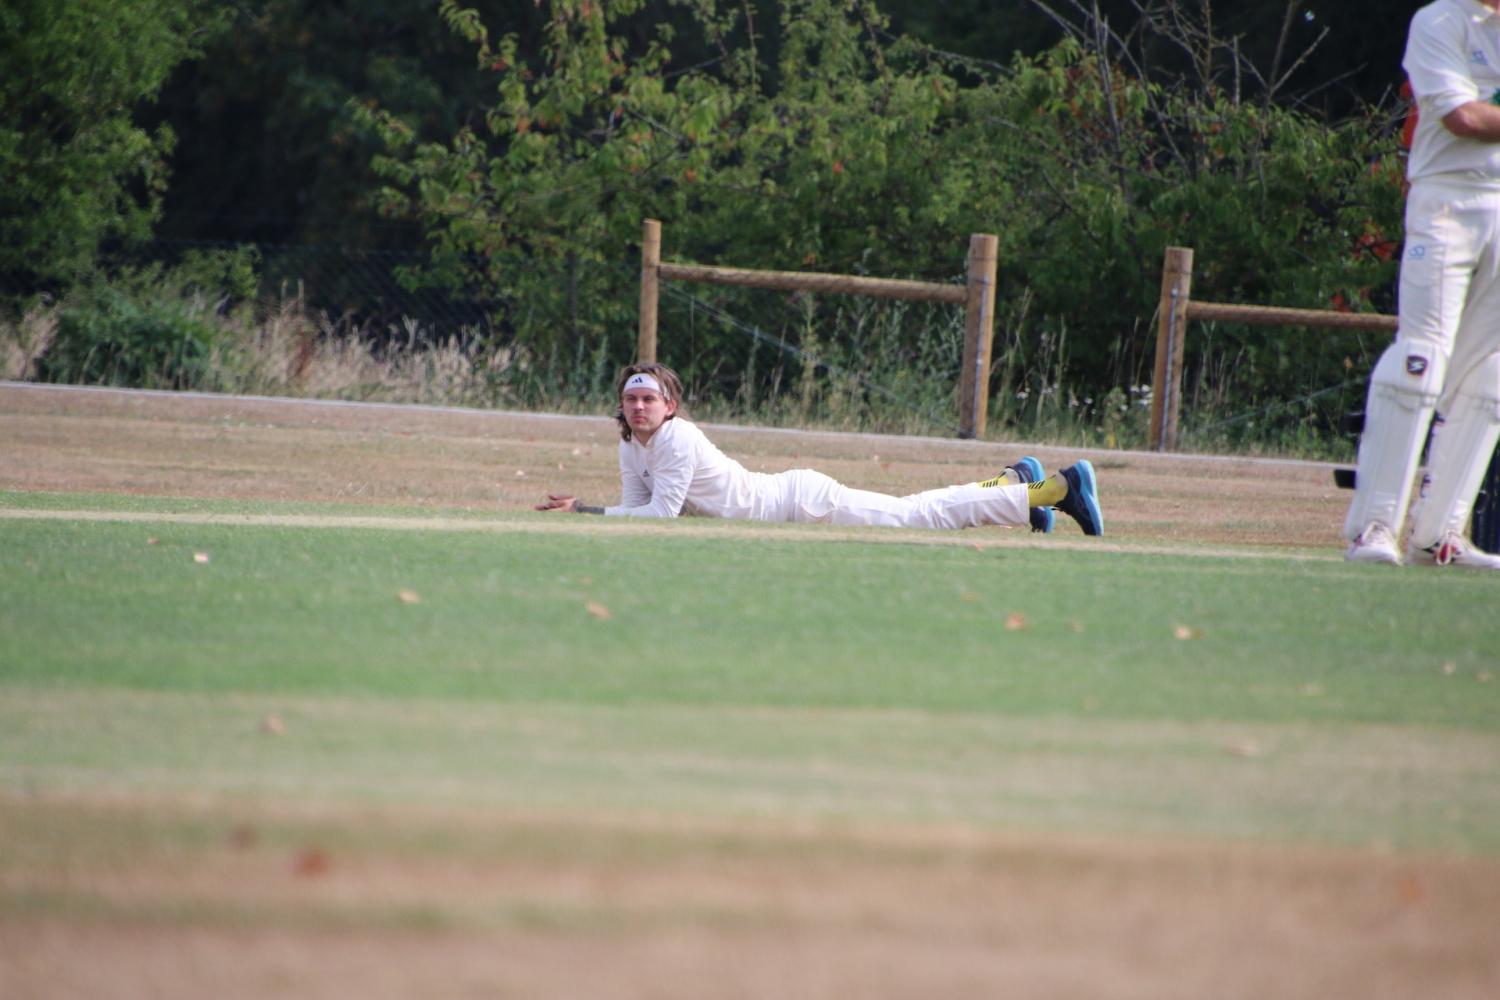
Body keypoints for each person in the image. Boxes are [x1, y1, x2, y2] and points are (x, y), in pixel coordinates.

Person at [535, 362, 1103, 535]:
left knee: (916, 516)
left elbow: (657, 516)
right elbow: (638, 512)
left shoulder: (677, 439)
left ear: (670, 407)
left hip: (802, 504)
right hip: (791, 499)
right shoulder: (631, 446)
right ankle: (1012, 484)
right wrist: (593, 510)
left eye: (649, 400)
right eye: (631, 399)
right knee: (914, 510)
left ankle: (1054, 490)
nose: (638, 407)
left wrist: (584, 513)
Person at [1344, 0, 1500, 569]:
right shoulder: (1441, 20)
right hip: (1446, 201)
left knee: (1491, 374)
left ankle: (1440, 535)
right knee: (1421, 359)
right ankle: (1375, 527)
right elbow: (1464, 117)